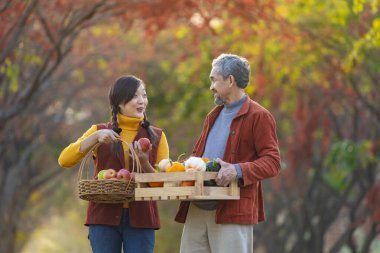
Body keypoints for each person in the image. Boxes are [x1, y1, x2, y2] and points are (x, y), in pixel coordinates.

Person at [175, 54, 281, 253]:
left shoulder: (259, 116)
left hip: (232, 211)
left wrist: (237, 170)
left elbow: (273, 162)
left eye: (214, 80)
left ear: (230, 80)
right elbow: (198, 157)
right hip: (197, 208)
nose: (211, 86)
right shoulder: (212, 116)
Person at [58, 75, 169, 253]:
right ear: (119, 102)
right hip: (103, 218)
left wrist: (144, 162)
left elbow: (162, 184)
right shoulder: (99, 131)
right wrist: (94, 138)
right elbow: (64, 160)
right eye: (135, 96)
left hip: (142, 219)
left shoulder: (157, 136)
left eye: (144, 95)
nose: (141, 101)